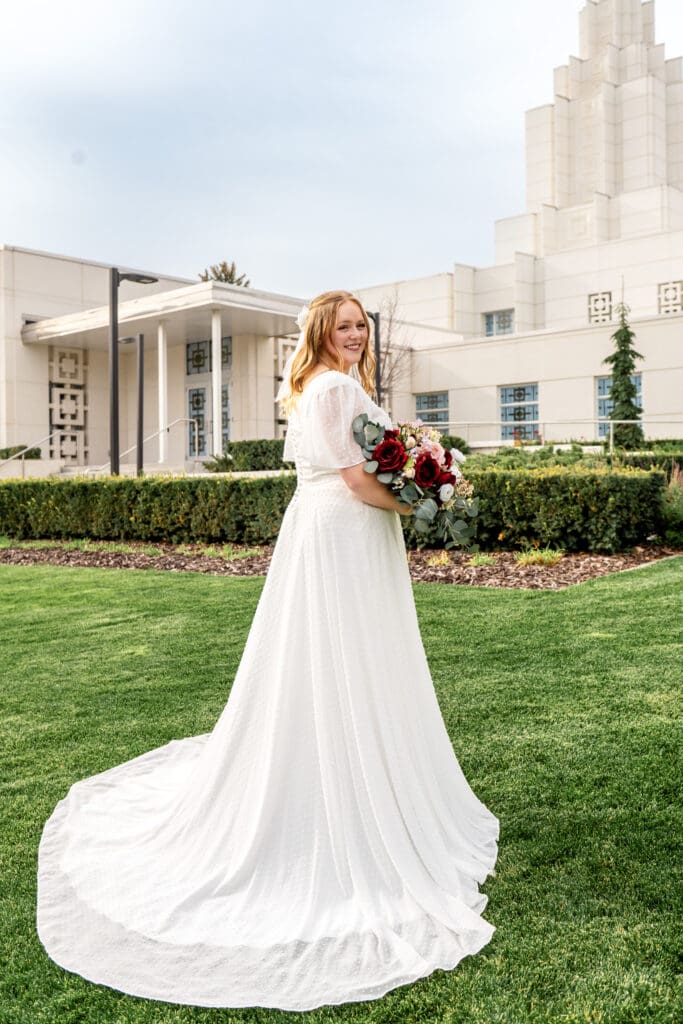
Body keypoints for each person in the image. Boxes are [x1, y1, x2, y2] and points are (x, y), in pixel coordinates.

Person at [37, 289, 499, 1012]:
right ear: (322, 331)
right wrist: (418, 502)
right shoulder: (338, 387)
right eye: (343, 326)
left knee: (327, 655)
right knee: (347, 652)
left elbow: (358, 468)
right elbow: (356, 479)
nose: (354, 335)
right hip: (343, 530)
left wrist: (412, 474)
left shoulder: (316, 386)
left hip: (324, 529)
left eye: (360, 327)